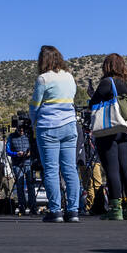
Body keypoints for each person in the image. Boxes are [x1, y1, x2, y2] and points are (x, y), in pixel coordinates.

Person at [30, 45, 80, 223]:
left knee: (51, 169)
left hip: (49, 127)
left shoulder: (43, 79)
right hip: (69, 126)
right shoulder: (69, 76)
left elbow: (35, 104)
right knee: (70, 169)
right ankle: (73, 211)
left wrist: (33, 120)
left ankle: (55, 210)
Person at [90, 54, 127, 221]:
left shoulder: (106, 83)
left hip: (109, 130)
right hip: (124, 130)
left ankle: (115, 208)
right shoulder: (126, 84)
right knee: (126, 167)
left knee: (112, 169)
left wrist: (92, 94)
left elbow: (93, 104)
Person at [6, 121, 37, 216]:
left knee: (31, 186)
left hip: (29, 164)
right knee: (19, 186)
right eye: (20, 130)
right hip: (17, 164)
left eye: (23, 130)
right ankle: (22, 207)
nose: (21, 131)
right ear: (17, 129)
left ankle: (33, 207)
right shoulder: (11, 137)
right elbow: (7, 151)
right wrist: (16, 154)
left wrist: (30, 153)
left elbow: (35, 148)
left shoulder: (29, 136)